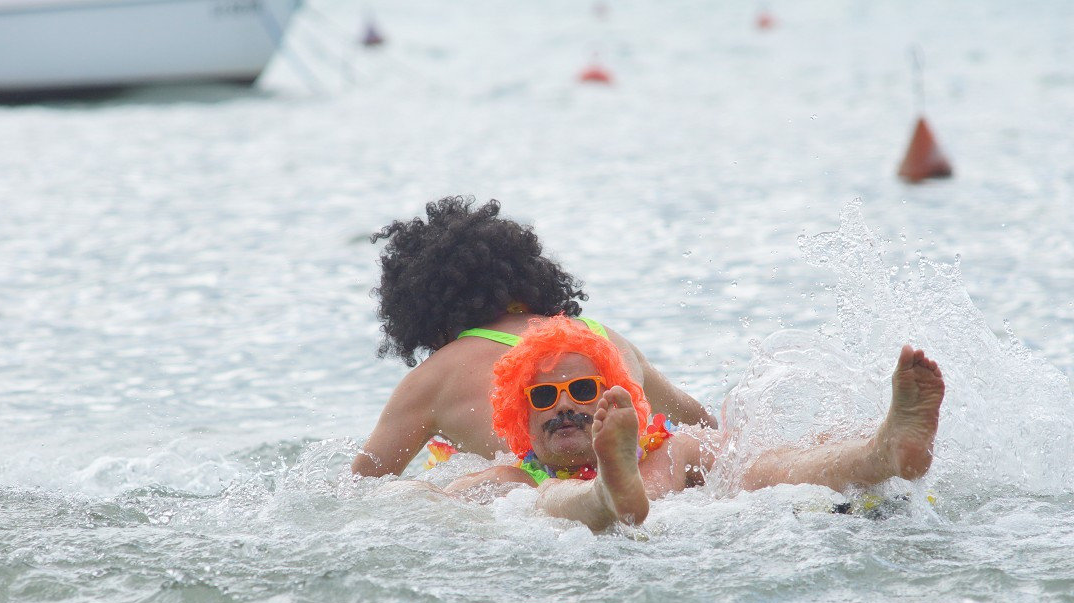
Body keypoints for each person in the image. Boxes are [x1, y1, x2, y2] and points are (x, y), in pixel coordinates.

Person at [437, 316, 946, 532]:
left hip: (698, 517)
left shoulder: (670, 450)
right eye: (545, 396)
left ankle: (884, 450)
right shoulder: (509, 478)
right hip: (584, 505)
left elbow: (768, 456)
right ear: (519, 415)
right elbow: (425, 501)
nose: (565, 405)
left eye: (584, 391)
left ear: (614, 399)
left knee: (761, 467)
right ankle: (608, 497)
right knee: (543, 499)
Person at [351, 196, 715, 478]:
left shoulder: (433, 377)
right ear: (529, 278)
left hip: (539, 498)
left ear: (419, 312)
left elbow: (361, 489)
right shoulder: (603, 337)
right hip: (650, 476)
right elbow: (704, 425)